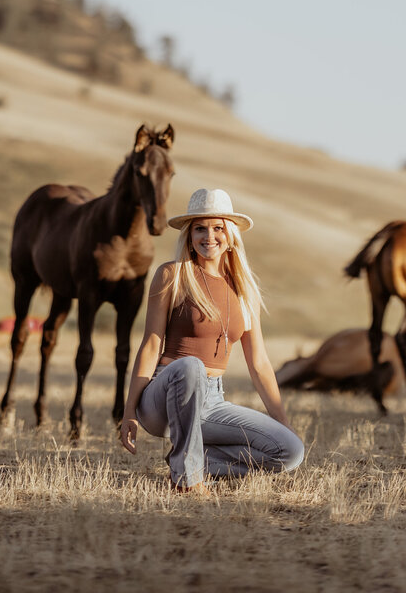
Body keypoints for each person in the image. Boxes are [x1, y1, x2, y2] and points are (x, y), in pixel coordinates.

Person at [118, 188, 304, 493]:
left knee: (290, 451)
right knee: (191, 366)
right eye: (200, 228)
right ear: (189, 236)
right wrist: (129, 412)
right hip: (164, 393)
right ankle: (187, 479)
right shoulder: (173, 275)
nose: (209, 236)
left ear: (230, 235)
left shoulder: (245, 291)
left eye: (218, 228)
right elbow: (151, 345)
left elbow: (258, 363)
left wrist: (282, 420)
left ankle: (196, 460)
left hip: (212, 400)